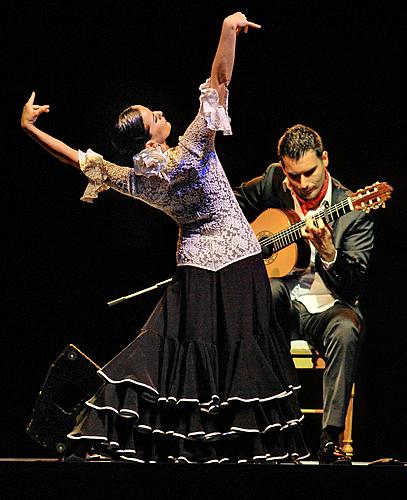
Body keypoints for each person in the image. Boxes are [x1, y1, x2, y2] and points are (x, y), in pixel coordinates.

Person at [21, 13, 309, 463]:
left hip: (194, 266)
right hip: (239, 263)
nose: (157, 111)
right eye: (149, 115)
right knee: (239, 358)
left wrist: (30, 129)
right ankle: (243, 450)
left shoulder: (136, 179)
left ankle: (179, 444)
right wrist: (227, 29)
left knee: (179, 354)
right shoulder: (193, 147)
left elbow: (75, 160)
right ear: (146, 135)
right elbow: (219, 80)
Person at [234, 124, 375, 464]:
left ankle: (329, 438)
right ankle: (272, 429)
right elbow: (229, 205)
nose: (303, 183)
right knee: (266, 292)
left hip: (328, 306)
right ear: (283, 169)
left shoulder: (354, 208)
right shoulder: (271, 181)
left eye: (310, 172)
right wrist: (246, 242)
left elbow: (354, 284)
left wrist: (328, 251)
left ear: (325, 160)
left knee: (346, 328)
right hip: (282, 303)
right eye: (293, 176)